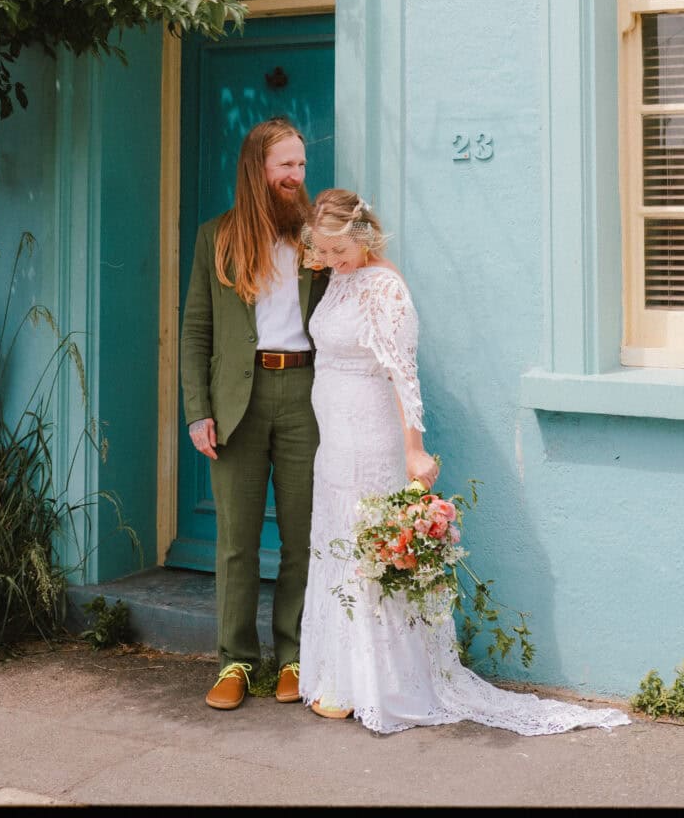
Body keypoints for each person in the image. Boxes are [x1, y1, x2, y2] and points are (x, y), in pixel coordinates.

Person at [297, 188, 630, 737]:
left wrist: (413, 448)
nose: (331, 260)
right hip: (332, 439)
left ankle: (381, 683)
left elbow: (404, 373)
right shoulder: (339, 280)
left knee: (365, 547)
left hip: (370, 436)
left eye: (339, 250)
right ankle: (341, 675)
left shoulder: (385, 287)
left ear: (362, 233)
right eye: (324, 251)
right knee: (335, 541)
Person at [180, 117, 331, 711]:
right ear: (257, 170)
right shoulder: (215, 238)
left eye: (300, 165)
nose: (296, 176)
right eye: (285, 166)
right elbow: (196, 330)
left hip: (306, 396)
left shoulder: (318, 238)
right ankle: (235, 660)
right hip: (237, 403)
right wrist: (197, 411)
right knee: (237, 542)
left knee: (303, 537)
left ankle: (296, 655)